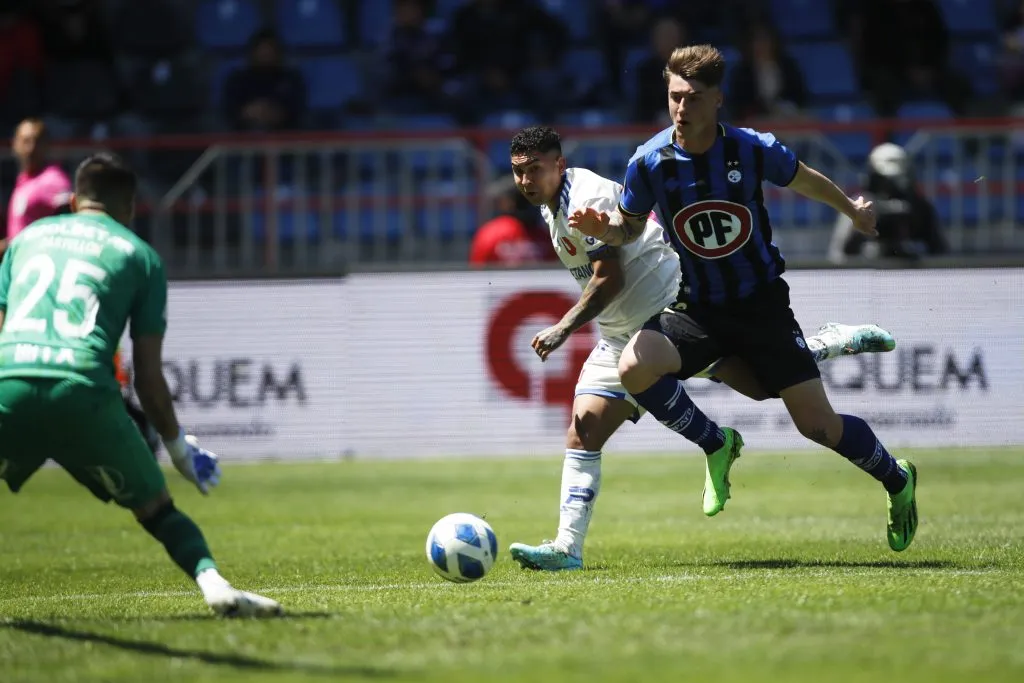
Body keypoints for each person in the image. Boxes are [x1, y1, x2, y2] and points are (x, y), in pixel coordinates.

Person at [568, 45, 919, 553]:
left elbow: (805, 179)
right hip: (698, 308)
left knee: (816, 426)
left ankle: (897, 479)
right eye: (674, 97)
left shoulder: (751, 149)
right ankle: (716, 442)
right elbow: (628, 229)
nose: (681, 108)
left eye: (693, 97)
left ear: (718, 99)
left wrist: (852, 211)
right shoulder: (649, 162)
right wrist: (605, 229)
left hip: (762, 307)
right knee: (634, 367)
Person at [505, 126, 898, 570]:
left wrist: (563, 327)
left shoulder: (585, 197)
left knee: (766, 389)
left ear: (559, 164)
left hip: (670, 314)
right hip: (620, 334)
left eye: (534, 169)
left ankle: (812, 355)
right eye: (518, 172)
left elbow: (608, 278)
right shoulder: (551, 205)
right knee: (585, 430)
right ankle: (567, 548)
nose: (525, 181)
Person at [0, 152, 283, 617]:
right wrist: (178, 449)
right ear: (130, 209)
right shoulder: (139, 255)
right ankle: (214, 585)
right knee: (157, 510)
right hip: (81, 390)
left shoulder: (25, 239)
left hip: (9, 383)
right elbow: (149, 378)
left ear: (72, 202)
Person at [828, 142, 947, 263]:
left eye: (898, 179)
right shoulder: (859, 205)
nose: (891, 186)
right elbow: (839, 254)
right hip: (866, 271)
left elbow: (940, 252)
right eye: (884, 180)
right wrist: (866, 230)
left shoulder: (920, 207)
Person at [3, 118, 72, 258]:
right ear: (15, 144)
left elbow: (69, 225)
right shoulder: (23, 181)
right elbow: (19, 235)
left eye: (37, 142)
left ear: (47, 146)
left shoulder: (54, 180)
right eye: (26, 141)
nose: (31, 148)